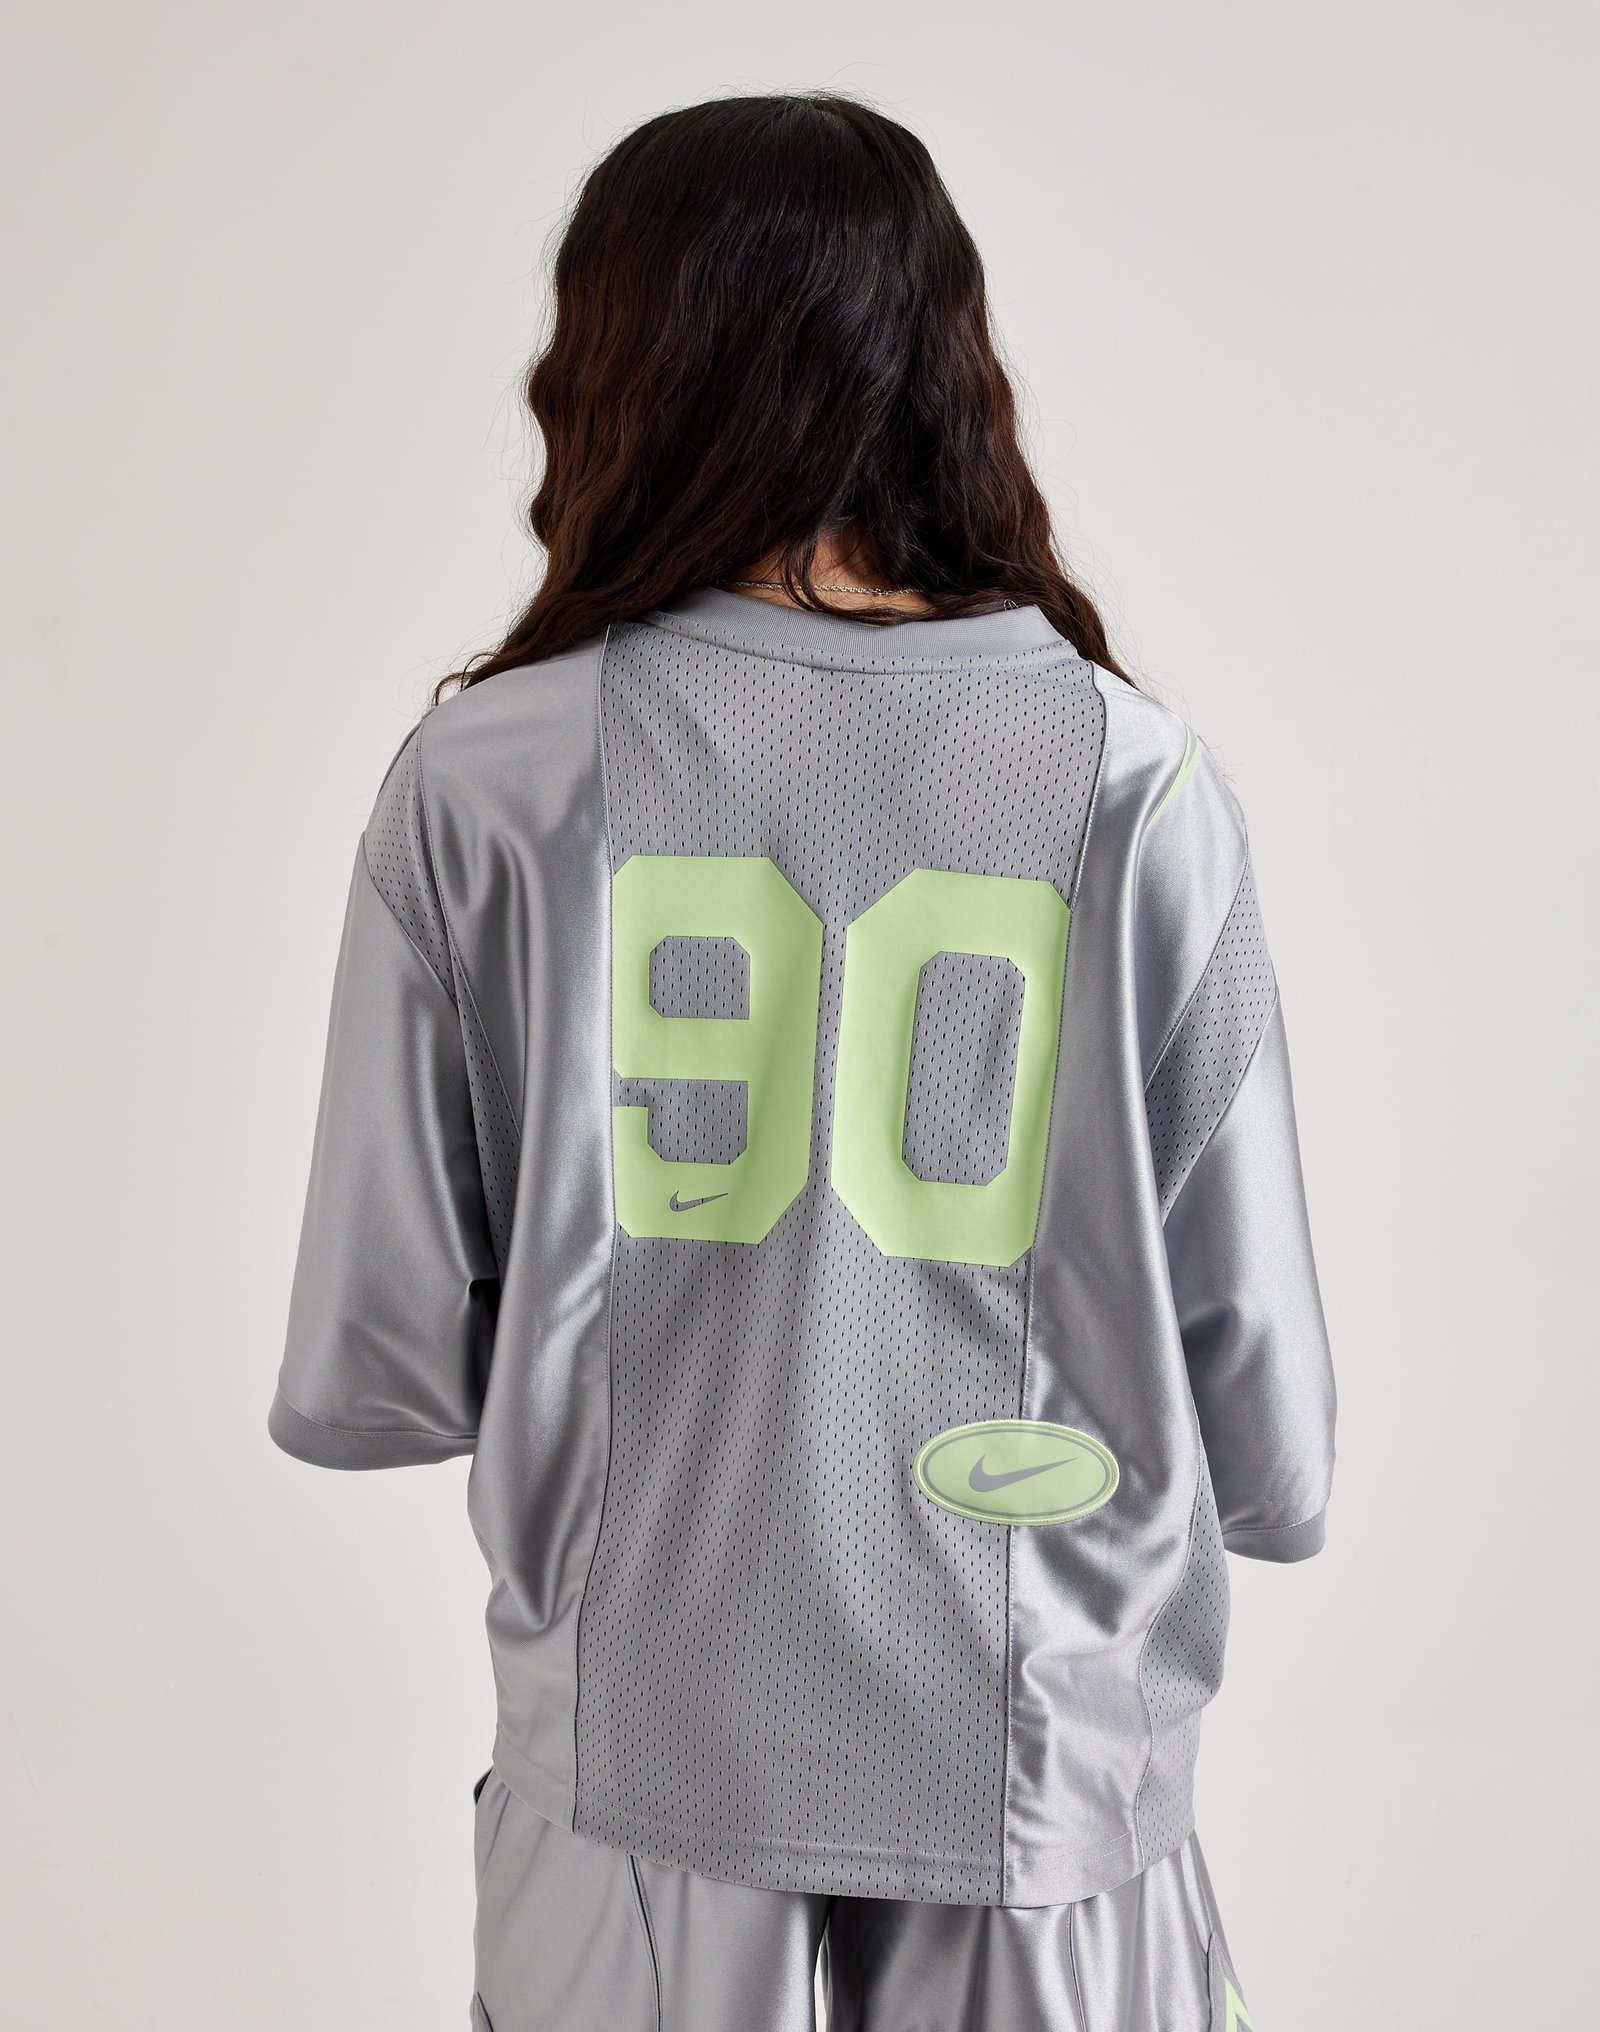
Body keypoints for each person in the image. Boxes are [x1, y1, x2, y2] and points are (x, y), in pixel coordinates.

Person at [270, 90, 1336, 2032]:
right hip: (1041, 1736)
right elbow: (1261, 1412)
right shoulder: (1136, 782)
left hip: (641, 1738)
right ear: (940, 356)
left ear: (613, 363)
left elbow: (387, 1350)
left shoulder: (487, 780)